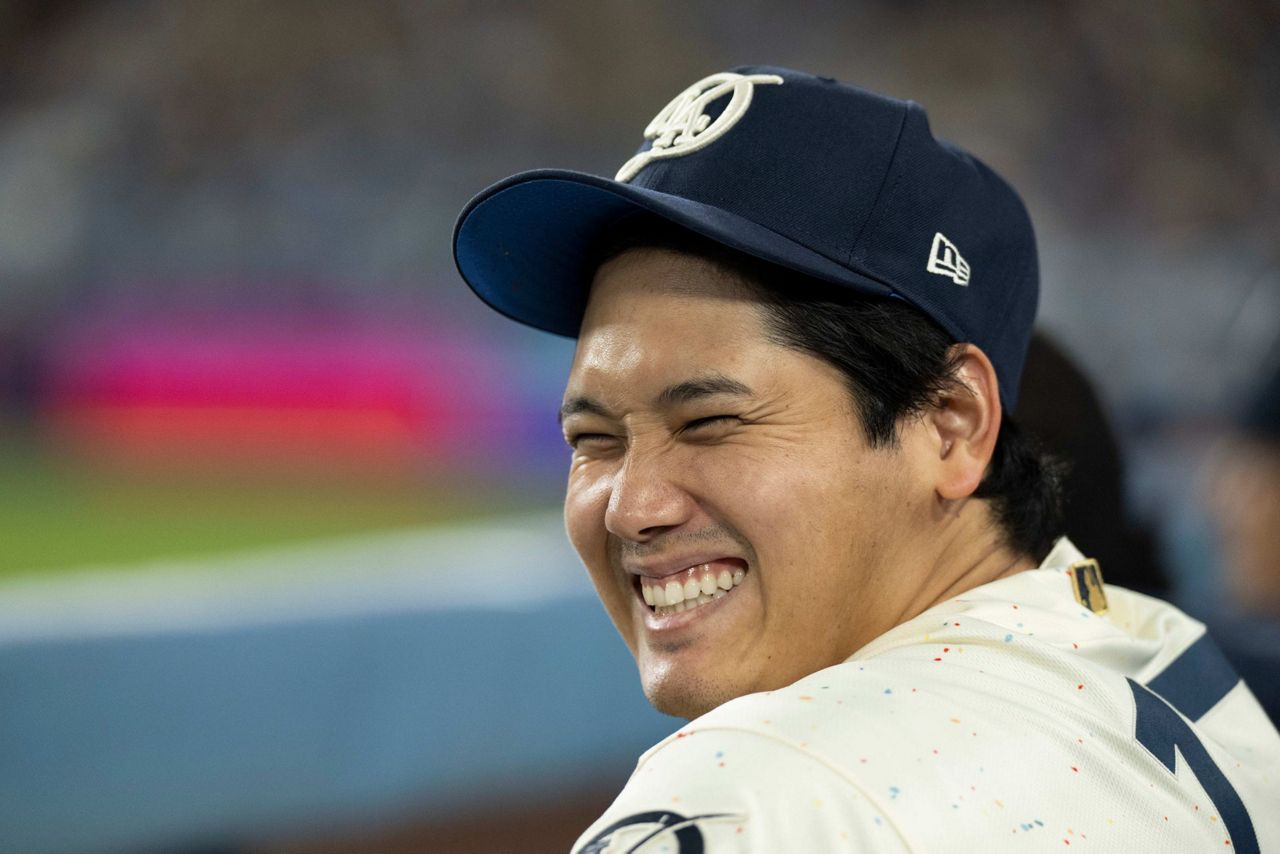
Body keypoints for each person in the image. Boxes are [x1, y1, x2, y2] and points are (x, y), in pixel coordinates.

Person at [453, 67, 1279, 852]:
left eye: (709, 422)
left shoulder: (765, 793)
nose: (632, 508)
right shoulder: (1173, 663)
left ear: (951, 425)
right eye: (594, 440)